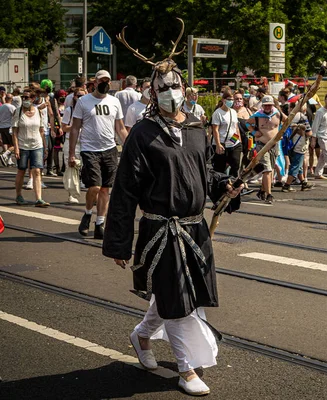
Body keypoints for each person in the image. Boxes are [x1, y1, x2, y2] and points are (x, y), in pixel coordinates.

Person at [102, 48, 243, 396]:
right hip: (160, 231)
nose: (169, 92)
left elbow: (205, 172)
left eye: (174, 85)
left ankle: (142, 335)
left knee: (182, 297)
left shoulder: (196, 127)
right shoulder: (142, 133)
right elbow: (124, 191)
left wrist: (225, 185)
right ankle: (187, 370)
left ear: (184, 86)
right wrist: (119, 242)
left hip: (195, 230)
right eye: (162, 87)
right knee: (177, 298)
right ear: (152, 92)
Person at [69, 70, 128, 239]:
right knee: (94, 186)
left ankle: (100, 223)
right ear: (94, 82)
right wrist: (72, 153)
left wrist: (130, 146)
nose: (105, 83)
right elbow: (75, 128)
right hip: (89, 150)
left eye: (108, 81)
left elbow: (121, 128)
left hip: (109, 149)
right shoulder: (83, 101)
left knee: (105, 189)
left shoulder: (114, 101)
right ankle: (88, 213)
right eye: (102, 80)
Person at [12, 91, 50, 207]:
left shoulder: (38, 111)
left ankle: (39, 198)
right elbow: (14, 132)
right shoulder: (18, 112)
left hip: (37, 145)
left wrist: (45, 147)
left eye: (27, 97)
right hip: (23, 145)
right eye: (23, 97)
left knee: (37, 171)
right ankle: (19, 195)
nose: (25, 99)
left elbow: (42, 131)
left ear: (33, 98)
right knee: (22, 170)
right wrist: (16, 148)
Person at [251, 95, 285, 203]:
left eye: (269, 105)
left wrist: (282, 132)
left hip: (274, 145)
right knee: (267, 169)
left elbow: (288, 120)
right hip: (261, 145)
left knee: (271, 169)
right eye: (265, 105)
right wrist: (254, 132)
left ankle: (262, 189)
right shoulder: (257, 115)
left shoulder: (278, 114)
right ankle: (269, 194)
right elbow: (247, 123)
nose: (267, 107)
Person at [61, 88, 85, 204]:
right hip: (71, 142)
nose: (80, 98)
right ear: (74, 97)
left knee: (85, 167)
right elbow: (64, 127)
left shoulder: (87, 109)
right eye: (78, 96)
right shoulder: (69, 110)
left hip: (85, 143)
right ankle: (71, 194)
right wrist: (76, 126)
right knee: (71, 167)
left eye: (82, 96)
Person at [282, 120, 314, 192]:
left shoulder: (291, 119)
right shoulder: (303, 120)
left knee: (298, 167)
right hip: (299, 147)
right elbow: (309, 133)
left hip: (292, 146)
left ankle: (303, 183)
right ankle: (286, 186)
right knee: (295, 167)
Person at [0, 94, 16, 167]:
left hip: (2, 127)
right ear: (11, 99)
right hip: (9, 127)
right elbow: (15, 116)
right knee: (15, 145)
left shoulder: (1, 107)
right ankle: (4, 155)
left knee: (8, 144)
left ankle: (9, 160)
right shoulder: (12, 107)